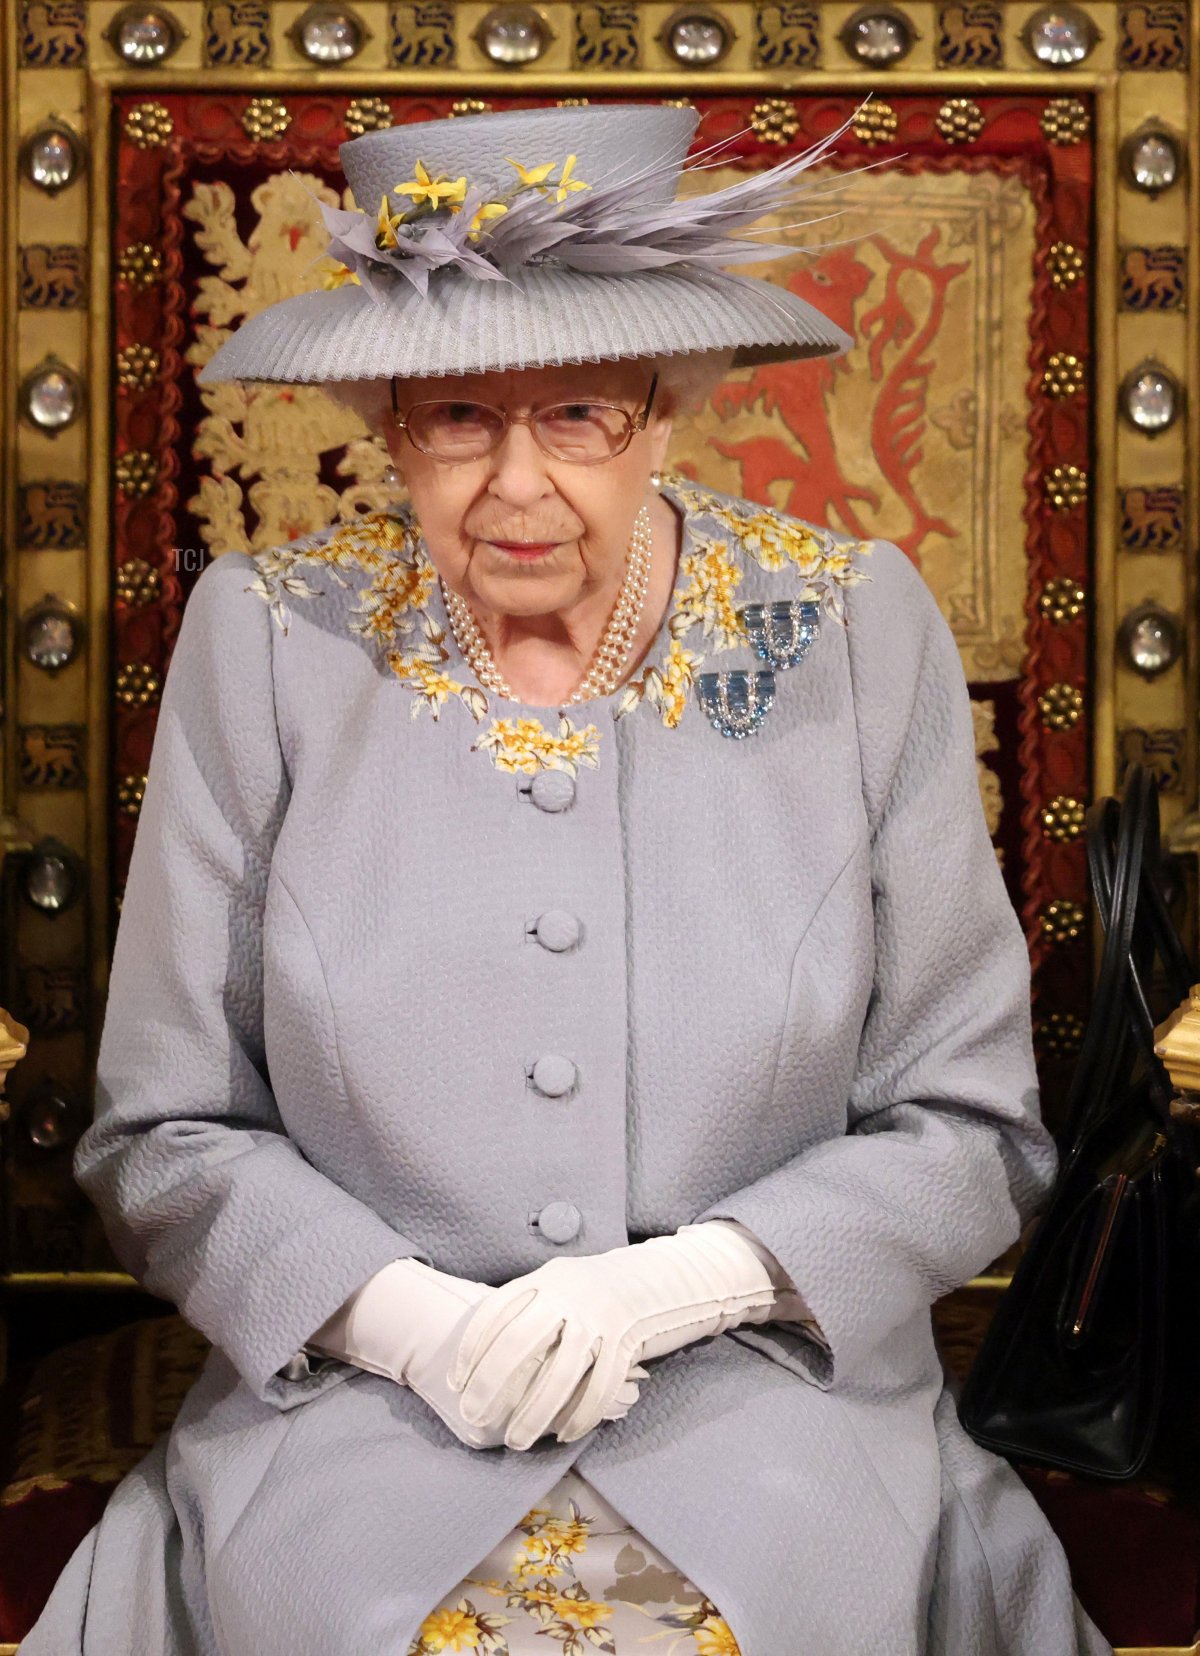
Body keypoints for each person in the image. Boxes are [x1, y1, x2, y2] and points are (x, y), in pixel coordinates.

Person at [21, 102, 1114, 1656]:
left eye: (580, 416)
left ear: (670, 411)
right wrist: (403, 1323)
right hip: (351, 1419)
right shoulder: (267, 639)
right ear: (389, 421)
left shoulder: (854, 629)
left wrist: (675, 1292)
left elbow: (970, 1128)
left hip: (774, 1407)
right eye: (459, 417)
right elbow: (161, 1132)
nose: (516, 485)